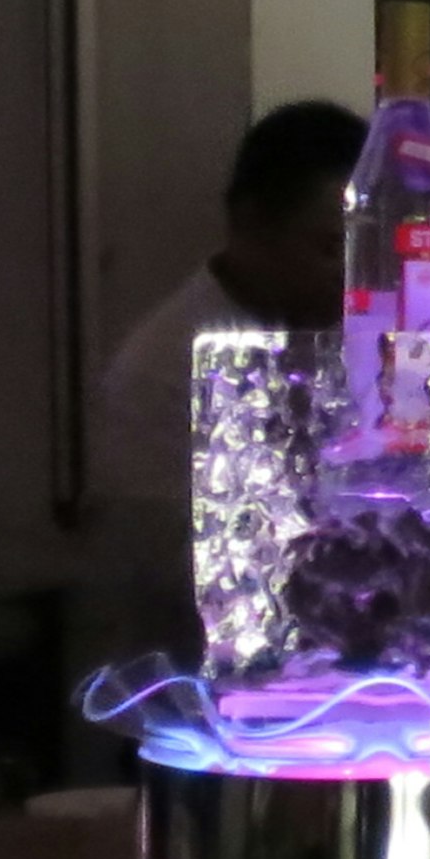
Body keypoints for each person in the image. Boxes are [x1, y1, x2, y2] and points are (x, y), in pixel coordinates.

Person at [86, 101, 369, 640]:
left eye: (366, 250)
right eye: (332, 247)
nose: (353, 278)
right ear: (252, 223)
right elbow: (168, 572)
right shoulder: (160, 368)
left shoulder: (351, 344)